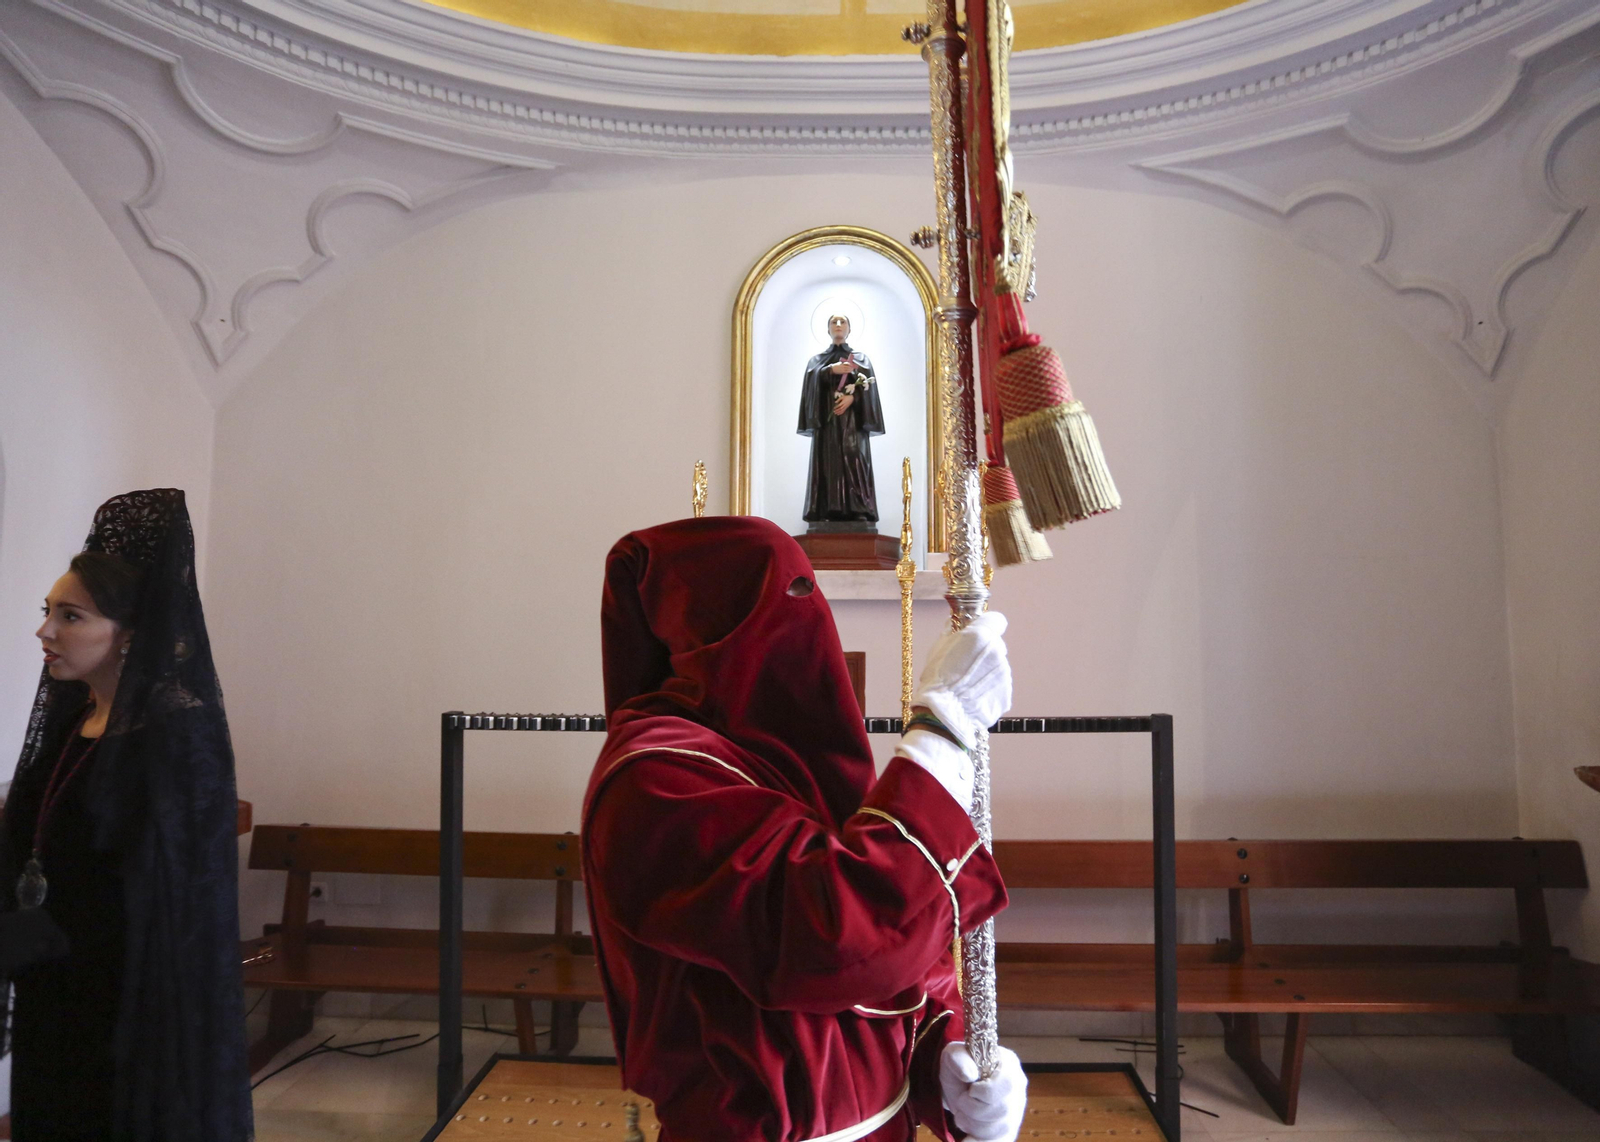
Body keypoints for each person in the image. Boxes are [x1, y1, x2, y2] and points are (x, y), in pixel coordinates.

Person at [582, 515, 1028, 1142]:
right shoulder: (652, 779)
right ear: (715, 622)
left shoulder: (794, 763)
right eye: (786, 596)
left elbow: (903, 968)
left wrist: (941, 1064)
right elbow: (832, 938)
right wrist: (942, 733)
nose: (808, 620)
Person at [0, 489, 252, 1142]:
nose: (45, 631)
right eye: (47, 611)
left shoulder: (178, 735)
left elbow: (179, 899)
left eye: (71, 616)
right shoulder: (73, 721)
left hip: (130, 1007)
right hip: (53, 989)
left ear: (129, 634)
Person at [799, 315, 886, 524]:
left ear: (849, 329)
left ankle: (859, 509)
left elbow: (869, 390)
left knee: (855, 460)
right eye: (833, 322)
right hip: (828, 426)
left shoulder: (860, 359)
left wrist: (853, 398)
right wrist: (829, 371)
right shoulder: (816, 361)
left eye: (842, 322)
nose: (838, 325)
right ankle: (828, 510)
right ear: (828, 329)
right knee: (830, 464)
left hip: (853, 425)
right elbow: (810, 390)